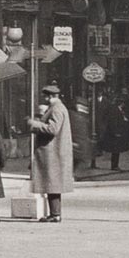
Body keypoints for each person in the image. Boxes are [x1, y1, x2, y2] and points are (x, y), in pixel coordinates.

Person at [30, 87, 76, 221]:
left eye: (45, 96)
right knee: (52, 183)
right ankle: (54, 213)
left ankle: (55, 215)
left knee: (52, 183)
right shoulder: (58, 108)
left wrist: (36, 124)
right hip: (54, 152)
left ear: (49, 96)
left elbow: (52, 129)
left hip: (52, 152)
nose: (44, 99)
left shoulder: (56, 109)